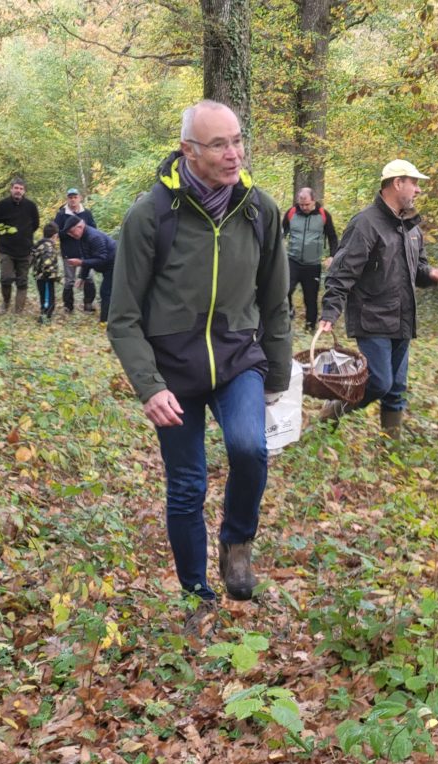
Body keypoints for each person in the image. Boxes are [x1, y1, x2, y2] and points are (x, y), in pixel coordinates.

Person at [107, 100, 290, 614]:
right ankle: (196, 596)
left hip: (238, 360)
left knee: (249, 448)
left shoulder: (259, 210)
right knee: (187, 486)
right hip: (173, 372)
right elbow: (122, 317)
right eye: (219, 144)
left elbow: (276, 301)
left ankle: (237, 542)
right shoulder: (150, 216)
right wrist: (149, 386)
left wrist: (277, 375)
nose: (234, 154)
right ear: (188, 150)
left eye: (238, 140)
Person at [318, 159, 438, 438]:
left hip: (402, 319)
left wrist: (432, 274)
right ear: (397, 183)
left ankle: (391, 446)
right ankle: (332, 411)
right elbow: (342, 272)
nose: (418, 190)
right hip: (372, 318)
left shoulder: (412, 227)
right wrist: (330, 312)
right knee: (379, 383)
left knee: (396, 389)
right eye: (414, 183)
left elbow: (418, 271)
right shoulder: (365, 224)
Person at [283, 188, 339, 332]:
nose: (304, 207)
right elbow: (281, 233)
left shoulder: (323, 215)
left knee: (311, 298)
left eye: (307, 204)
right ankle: (289, 313)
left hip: (313, 265)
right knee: (285, 290)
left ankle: (310, 327)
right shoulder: (291, 213)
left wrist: (332, 256)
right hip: (292, 260)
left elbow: (332, 237)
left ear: (314, 201)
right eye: (301, 204)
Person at [0, 178, 40, 314]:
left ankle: (18, 310)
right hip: (6, 250)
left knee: (22, 281)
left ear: (24, 191)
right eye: (16, 188)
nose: (18, 191)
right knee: (6, 279)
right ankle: (5, 303)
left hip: (25, 251)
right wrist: (6, 236)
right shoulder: (1, 205)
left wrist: (24, 235)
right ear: (11, 189)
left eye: (21, 189)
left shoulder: (31, 206)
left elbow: (35, 225)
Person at [61, 216, 116, 323]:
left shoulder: (93, 237)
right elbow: (86, 257)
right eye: (69, 234)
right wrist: (82, 277)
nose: (72, 235)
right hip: (107, 266)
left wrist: (81, 263)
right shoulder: (82, 238)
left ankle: (105, 321)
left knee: (106, 292)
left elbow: (101, 259)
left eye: (72, 232)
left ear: (80, 226)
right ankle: (107, 319)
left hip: (114, 264)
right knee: (107, 292)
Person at [54, 188, 98, 313]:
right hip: (68, 251)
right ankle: (68, 307)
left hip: (86, 252)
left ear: (80, 198)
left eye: (75, 197)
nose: (73, 200)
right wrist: (70, 232)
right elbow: (56, 232)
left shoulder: (87, 213)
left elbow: (94, 230)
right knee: (69, 280)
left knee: (89, 278)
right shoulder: (61, 214)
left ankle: (88, 305)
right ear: (67, 199)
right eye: (70, 197)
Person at [31, 223, 61, 324]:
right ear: (55, 235)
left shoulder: (40, 245)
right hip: (47, 277)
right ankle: (45, 318)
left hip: (39, 276)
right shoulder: (49, 247)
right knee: (48, 299)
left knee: (43, 296)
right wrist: (56, 277)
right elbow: (47, 264)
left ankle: (45, 315)